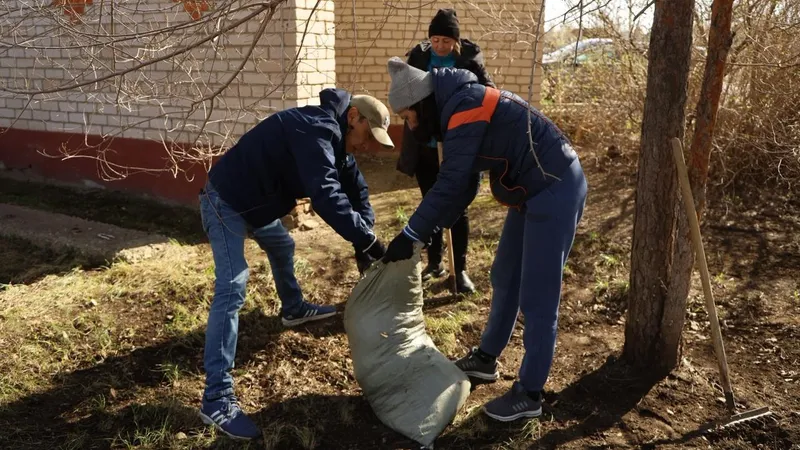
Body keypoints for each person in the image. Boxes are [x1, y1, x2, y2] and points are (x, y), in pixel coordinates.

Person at [382, 57, 587, 422]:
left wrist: (411, 231)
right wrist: (424, 234)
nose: (410, 127)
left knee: (538, 296)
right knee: (504, 275)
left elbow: (451, 182)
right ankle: (487, 358)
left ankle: (530, 393)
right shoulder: (455, 106)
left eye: (410, 118)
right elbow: (464, 185)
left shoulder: (464, 106)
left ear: (421, 103)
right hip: (529, 189)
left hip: (554, 186)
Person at [197, 89, 392, 439]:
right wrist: (367, 242)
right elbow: (326, 193)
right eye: (368, 135)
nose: (367, 146)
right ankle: (216, 399)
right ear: (354, 118)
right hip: (225, 201)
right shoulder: (315, 129)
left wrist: (366, 234)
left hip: (258, 208)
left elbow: (355, 190)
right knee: (233, 284)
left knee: (282, 245)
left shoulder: (339, 145)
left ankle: (294, 308)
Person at [396, 8, 495, 293]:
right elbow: (404, 91)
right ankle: (435, 262)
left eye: (446, 40)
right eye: (435, 39)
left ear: (456, 39)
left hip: (458, 145)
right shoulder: (419, 57)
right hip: (425, 143)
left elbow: (488, 91)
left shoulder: (468, 59)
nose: (440, 45)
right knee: (432, 202)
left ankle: (459, 270)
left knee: (457, 207)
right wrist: (409, 113)